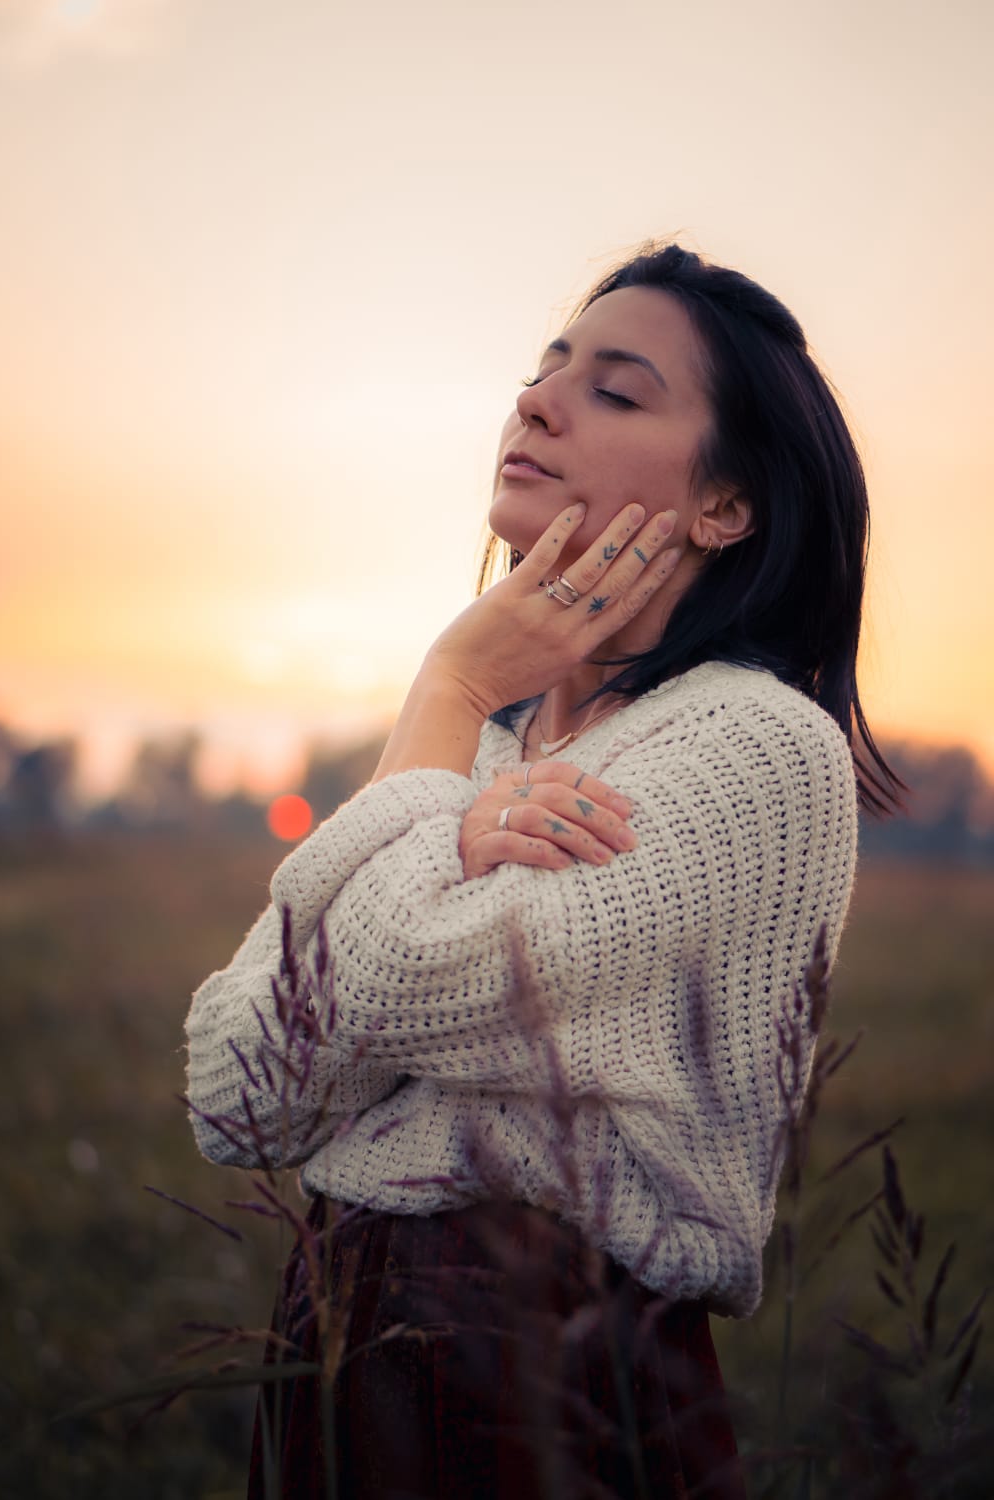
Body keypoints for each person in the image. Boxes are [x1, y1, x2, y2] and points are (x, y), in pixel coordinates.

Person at [185, 242, 900, 1498]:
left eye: (617, 391)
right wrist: (446, 770)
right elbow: (238, 1090)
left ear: (724, 505)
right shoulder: (479, 753)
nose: (535, 403)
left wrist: (447, 688)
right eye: (543, 372)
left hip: (551, 1371)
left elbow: (407, 977)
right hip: (334, 1348)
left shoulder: (754, 745)